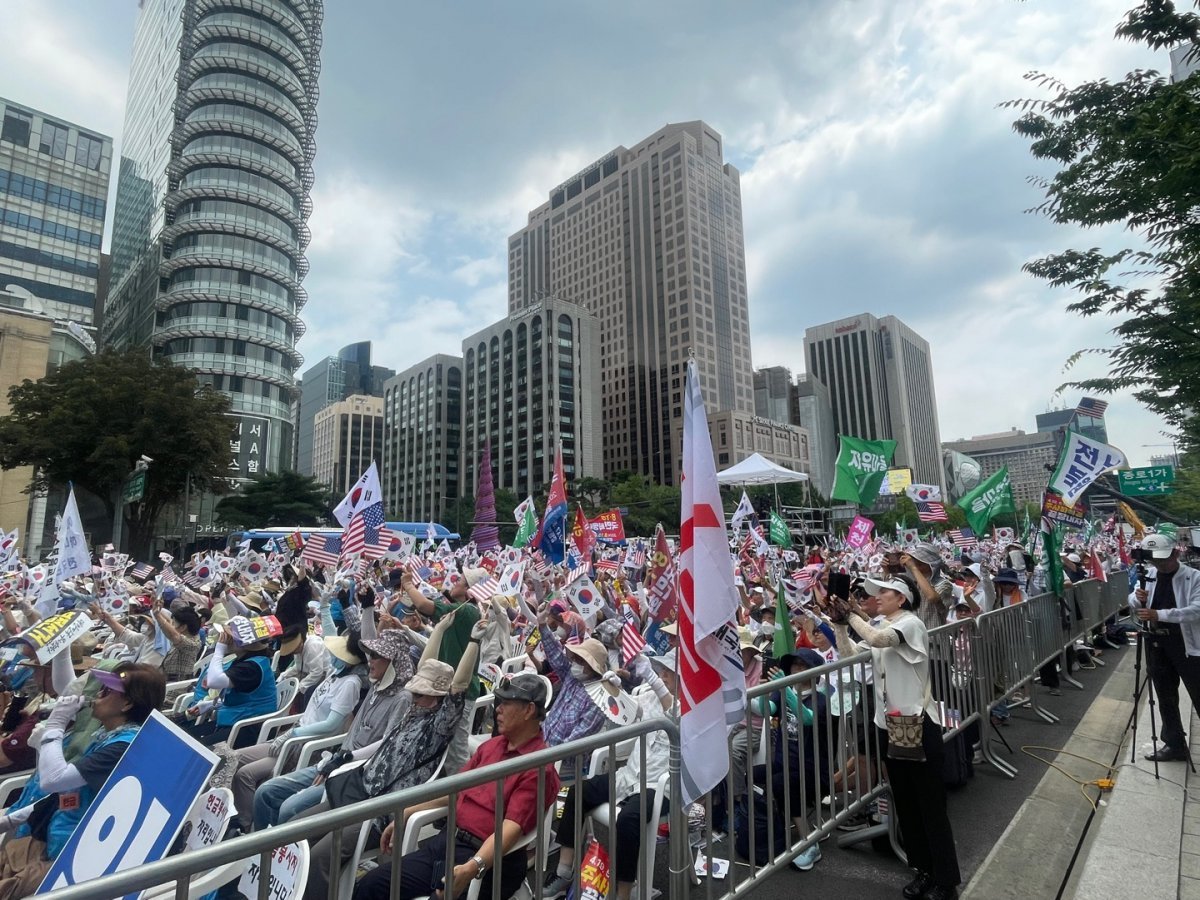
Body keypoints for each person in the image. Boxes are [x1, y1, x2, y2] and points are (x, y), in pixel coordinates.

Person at [300, 619, 483, 900]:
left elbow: (458, 687)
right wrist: (438, 630)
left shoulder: (439, 725)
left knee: (320, 857)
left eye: (421, 694)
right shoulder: (412, 710)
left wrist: (473, 642)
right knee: (294, 830)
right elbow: (427, 662)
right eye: (415, 691)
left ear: (436, 698)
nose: (414, 698)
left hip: (378, 812)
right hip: (356, 793)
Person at [351, 672, 560, 900]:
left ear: (529, 710)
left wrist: (473, 867)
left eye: (506, 703)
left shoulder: (538, 766)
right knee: (371, 886)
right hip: (448, 843)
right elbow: (457, 789)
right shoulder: (491, 747)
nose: (498, 709)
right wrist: (409, 811)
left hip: (489, 862)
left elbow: (511, 829)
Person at [831, 575, 961, 900]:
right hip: (889, 727)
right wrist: (839, 625)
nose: (876, 598)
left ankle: (946, 880)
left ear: (901, 598)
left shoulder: (911, 624)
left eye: (884, 593)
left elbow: (877, 639)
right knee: (905, 803)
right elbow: (849, 655)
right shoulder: (879, 624)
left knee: (930, 805)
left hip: (918, 726)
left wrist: (851, 616)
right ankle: (922, 870)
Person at [0, 663, 166, 898]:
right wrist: (11, 820)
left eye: (108, 691)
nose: (98, 695)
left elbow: (53, 780)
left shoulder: (124, 746)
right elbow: (63, 793)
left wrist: (55, 726)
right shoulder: (108, 736)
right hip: (55, 838)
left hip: (74, 860)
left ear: (127, 703)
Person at [545, 651, 675, 900]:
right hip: (631, 774)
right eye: (661, 670)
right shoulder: (650, 695)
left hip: (661, 784)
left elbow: (673, 716)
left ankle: (622, 893)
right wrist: (617, 691)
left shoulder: (689, 705)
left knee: (628, 819)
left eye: (669, 672)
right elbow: (632, 714)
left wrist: (653, 680)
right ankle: (564, 872)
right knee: (578, 792)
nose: (663, 675)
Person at [228, 629, 366, 831]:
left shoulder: (350, 684)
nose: (332, 656)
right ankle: (233, 814)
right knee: (234, 757)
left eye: (337, 654)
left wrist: (293, 735)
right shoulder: (334, 675)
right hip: (295, 733)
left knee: (245, 775)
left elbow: (331, 725)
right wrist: (289, 732)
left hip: (303, 745)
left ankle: (246, 826)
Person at [398, 566, 487, 773]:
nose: (454, 581)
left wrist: (409, 583)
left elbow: (422, 604)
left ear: (468, 589)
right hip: (448, 686)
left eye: (460, 580)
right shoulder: (465, 609)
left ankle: (461, 793)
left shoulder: (465, 610)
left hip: (460, 691)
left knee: (456, 749)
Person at [1131, 532, 1200, 762]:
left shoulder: (1194, 577)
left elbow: (1195, 610)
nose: (1159, 564)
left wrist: (1158, 613)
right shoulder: (1149, 574)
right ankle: (1174, 743)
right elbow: (1133, 601)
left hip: (1187, 644)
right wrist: (1137, 598)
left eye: (1164, 558)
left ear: (1176, 553)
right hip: (1157, 642)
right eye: (1155, 559)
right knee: (1165, 695)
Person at [178, 622, 278, 748]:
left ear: (245, 644)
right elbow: (236, 696)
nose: (226, 639)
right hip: (234, 719)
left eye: (231, 637)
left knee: (192, 747)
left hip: (248, 728)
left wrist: (219, 650)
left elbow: (213, 681)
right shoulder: (245, 661)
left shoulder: (252, 667)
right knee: (184, 736)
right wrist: (208, 705)